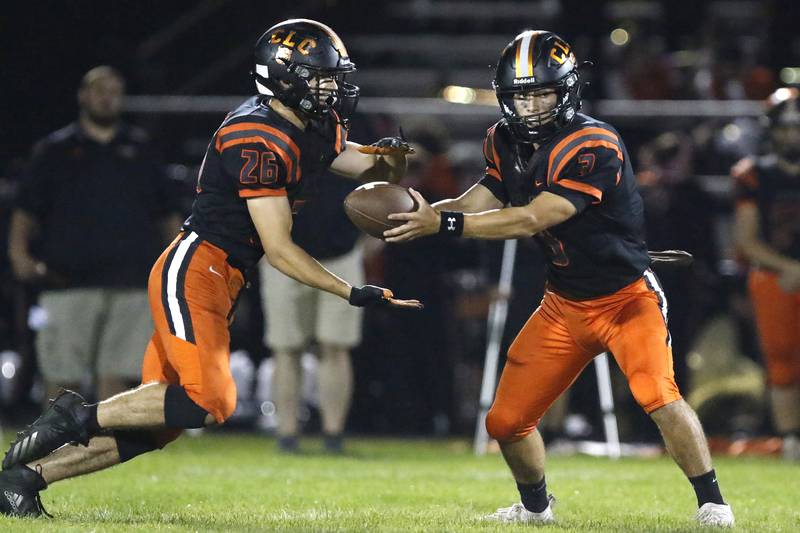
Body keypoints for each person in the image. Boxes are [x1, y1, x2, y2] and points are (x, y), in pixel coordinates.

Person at [0, 19, 420, 518]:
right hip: (196, 268)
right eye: (321, 77)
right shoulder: (258, 135)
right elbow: (281, 249)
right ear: (286, 79)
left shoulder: (310, 124)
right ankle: (77, 414)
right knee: (209, 401)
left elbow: (365, 166)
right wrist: (351, 291)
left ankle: (24, 481)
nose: (332, 87)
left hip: (223, 276)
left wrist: (393, 162)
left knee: (160, 424)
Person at [384, 30, 734, 527]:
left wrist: (445, 224)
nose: (529, 106)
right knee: (504, 422)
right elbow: (478, 199)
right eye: (521, 94)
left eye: (541, 92)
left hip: (624, 298)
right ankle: (535, 509)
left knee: (658, 394)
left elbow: (534, 217)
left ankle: (713, 502)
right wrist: (418, 216)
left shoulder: (593, 142)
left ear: (566, 90)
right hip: (564, 303)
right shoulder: (502, 139)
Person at [7, 66, 182, 403]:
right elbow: (25, 211)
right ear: (83, 96)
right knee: (61, 375)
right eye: (100, 90)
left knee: (117, 374)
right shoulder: (54, 150)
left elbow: (167, 214)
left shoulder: (142, 150)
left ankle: (101, 449)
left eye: (115, 91)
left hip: (130, 281)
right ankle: (58, 447)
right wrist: (19, 255)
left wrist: (174, 263)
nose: (107, 97)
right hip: (65, 281)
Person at [260, 168, 364, 453]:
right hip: (284, 255)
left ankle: (333, 436)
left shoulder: (349, 129)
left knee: (336, 346)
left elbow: (376, 179)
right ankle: (287, 436)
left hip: (340, 252)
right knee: (285, 348)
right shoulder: (277, 132)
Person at [733, 87, 800, 461]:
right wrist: (790, 267)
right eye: (787, 126)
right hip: (775, 275)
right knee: (782, 360)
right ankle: (791, 438)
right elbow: (746, 239)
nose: (793, 134)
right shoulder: (753, 174)